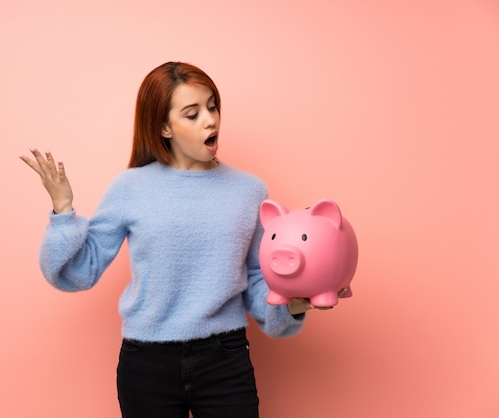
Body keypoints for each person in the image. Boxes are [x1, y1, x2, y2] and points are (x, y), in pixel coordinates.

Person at [20, 62, 323, 418]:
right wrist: (63, 211)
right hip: (146, 363)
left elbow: (257, 279)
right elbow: (76, 272)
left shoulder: (250, 190)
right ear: (164, 127)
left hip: (225, 359)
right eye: (192, 114)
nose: (210, 120)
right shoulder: (130, 187)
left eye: (212, 107)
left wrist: (294, 304)